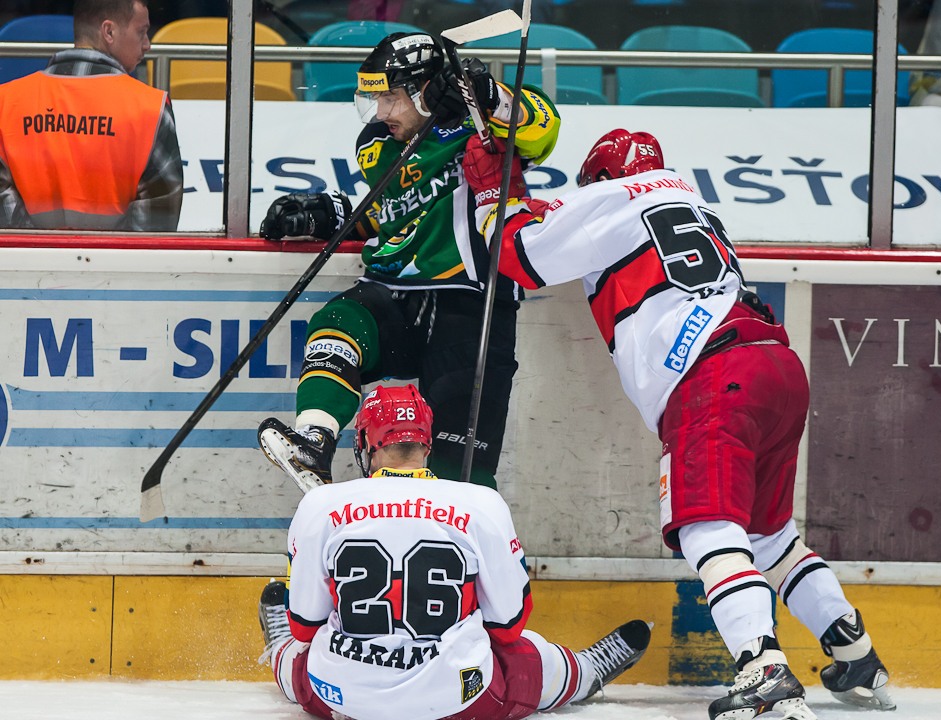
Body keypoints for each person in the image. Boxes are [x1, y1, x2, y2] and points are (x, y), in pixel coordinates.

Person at [461, 129, 895, 720]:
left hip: (713, 378)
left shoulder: (611, 199)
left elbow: (521, 255)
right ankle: (855, 654)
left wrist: (496, 190)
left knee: (706, 528)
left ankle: (763, 667)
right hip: (773, 361)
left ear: (602, 179)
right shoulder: (693, 199)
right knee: (767, 536)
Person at [257, 31, 560, 489]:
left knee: (460, 478)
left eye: (389, 98)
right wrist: (329, 214)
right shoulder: (377, 144)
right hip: (396, 293)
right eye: (373, 100)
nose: (380, 113)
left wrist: (485, 94)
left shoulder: (481, 123)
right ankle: (314, 442)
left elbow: (543, 127)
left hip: (471, 299)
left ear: (424, 91)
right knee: (338, 321)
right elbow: (389, 212)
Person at [257, 383, 651, 720]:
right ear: (427, 443)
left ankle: (278, 651)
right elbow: (507, 626)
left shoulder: (321, 504)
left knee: (302, 656)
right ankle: (585, 671)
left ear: (364, 441)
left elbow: (305, 625)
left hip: (342, 698)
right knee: (521, 657)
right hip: (456, 700)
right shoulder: (481, 503)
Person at [0, 0, 183, 230]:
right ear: (109, 32)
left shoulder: (6, 102)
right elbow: (158, 223)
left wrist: (39, 245)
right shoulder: (152, 109)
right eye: (141, 32)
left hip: (21, 254)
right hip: (119, 255)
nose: (147, 45)